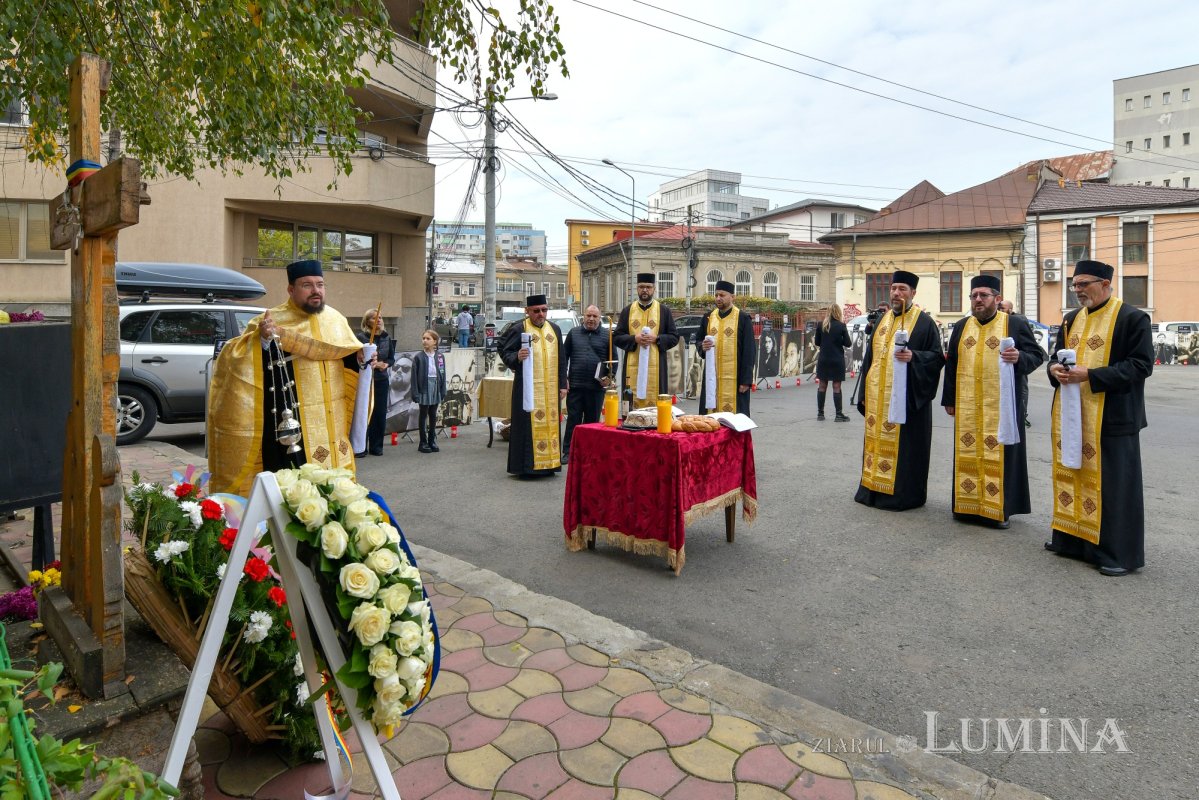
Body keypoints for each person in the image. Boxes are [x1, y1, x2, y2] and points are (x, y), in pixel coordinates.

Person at [208, 259, 368, 496]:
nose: (316, 290)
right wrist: (262, 340)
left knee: (338, 488)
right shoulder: (271, 321)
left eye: (320, 284)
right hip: (293, 426)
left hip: (333, 428)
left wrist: (362, 359)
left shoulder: (336, 319)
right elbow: (239, 360)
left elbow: (346, 357)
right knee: (297, 490)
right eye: (307, 285)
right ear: (291, 289)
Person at [1044, 260, 1153, 576]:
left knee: (1113, 487)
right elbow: (1057, 358)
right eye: (1075, 285)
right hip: (1073, 415)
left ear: (1105, 284)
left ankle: (1115, 553)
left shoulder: (1132, 318)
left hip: (1114, 417)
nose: (1078, 291)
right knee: (1072, 475)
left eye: (1084, 284)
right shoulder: (1071, 319)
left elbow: (1140, 366)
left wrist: (1090, 375)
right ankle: (1071, 540)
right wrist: (1054, 370)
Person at [941, 276, 1044, 529]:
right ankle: (967, 506)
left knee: (1000, 454)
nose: (978, 300)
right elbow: (951, 363)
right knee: (968, 451)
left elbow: (1037, 355)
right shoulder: (962, 326)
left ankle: (999, 509)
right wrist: (949, 398)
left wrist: (1019, 357)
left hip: (1002, 405)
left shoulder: (1014, 323)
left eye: (983, 295)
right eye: (974, 295)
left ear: (997, 299)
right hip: (967, 403)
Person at [854, 270, 944, 511]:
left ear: (913, 292)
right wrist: (863, 393)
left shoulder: (925, 323)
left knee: (904, 451)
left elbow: (936, 358)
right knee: (874, 445)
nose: (896, 293)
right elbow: (869, 359)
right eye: (894, 288)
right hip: (877, 399)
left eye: (902, 289)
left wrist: (914, 356)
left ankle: (901, 496)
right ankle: (872, 490)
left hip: (905, 402)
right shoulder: (882, 320)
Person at [499, 294, 567, 477]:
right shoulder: (519, 329)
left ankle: (550, 465)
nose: (541, 314)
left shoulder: (555, 329)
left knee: (552, 424)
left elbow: (562, 359)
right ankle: (527, 467)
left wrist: (563, 384)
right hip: (527, 389)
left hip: (551, 390)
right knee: (527, 426)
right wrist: (516, 358)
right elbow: (503, 347)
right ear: (527, 311)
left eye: (544, 310)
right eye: (536, 311)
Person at [615, 273, 679, 408]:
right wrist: (634, 339)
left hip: (657, 366)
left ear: (654, 289)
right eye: (641, 287)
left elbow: (674, 337)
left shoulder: (664, 311)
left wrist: (657, 338)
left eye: (648, 287)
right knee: (631, 405)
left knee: (656, 408)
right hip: (632, 365)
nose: (645, 290)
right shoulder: (628, 311)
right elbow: (617, 337)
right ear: (637, 289)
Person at [696, 280, 756, 415]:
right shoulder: (708, 317)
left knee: (735, 419)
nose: (718, 298)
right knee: (710, 416)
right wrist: (702, 346)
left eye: (722, 295)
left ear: (732, 297)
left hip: (735, 379)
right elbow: (698, 340)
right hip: (713, 377)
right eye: (716, 295)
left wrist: (746, 380)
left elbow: (749, 351)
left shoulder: (743, 318)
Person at [562, 305, 607, 464]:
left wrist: (608, 378)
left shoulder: (607, 335)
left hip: (596, 388)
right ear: (583, 316)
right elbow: (564, 357)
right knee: (573, 420)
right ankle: (568, 451)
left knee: (592, 422)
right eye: (589, 315)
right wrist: (564, 379)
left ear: (599, 318)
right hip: (575, 386)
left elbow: (612, 361)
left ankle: (589, 453)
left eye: (595, 316)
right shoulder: (574, 334)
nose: (591, 319)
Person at [355, 308, 395, 456]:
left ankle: (376, 446)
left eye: (380, 317)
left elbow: (391, 358)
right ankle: (361, 447)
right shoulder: (360, 338)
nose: (378, 319)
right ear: (367, 322)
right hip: (365, 381)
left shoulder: (386, 337)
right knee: (364, 412)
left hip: (381, 379)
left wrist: (384, 364)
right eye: (373, 318)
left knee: (379, 413)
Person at [814, 303, 853, 421]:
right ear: (838, 313)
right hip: (837, 359)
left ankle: (820, 414)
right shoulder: (841, 326)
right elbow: (848, 343)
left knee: (822, 385)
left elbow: (817, 342)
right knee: (836, 386)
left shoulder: (821, 325)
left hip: (824, 359)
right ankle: (838, 414)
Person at [410, 329, 447, 453]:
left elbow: (443, 373)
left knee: (433, 414)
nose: (425, 341)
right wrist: (415, 393)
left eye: (428, 339)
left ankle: (432, 440)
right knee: (423, 414)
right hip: (424, 387)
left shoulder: (440, 357)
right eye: (423, 338)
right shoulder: (418, 357)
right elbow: (414, 377)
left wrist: (442, 390)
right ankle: (423, 442)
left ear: (435, 341)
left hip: (435, 386)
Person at [1000, 299, 1032, 427]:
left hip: (1017, 364)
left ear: (1010, 309)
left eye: (1003, 308)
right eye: (1000, 308)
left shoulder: (1019, 321)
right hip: (1001, 364)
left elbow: (1030, 348)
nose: (1000, 310)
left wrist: (1020, 356)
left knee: (1022, 388)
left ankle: (1022, 413)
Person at [386, 352, 420, 434]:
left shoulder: (415, 400)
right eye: (395, 367)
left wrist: (413, 416)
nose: (399, 370)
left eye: (405, 369)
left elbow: (413, 434)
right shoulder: (380, 393)